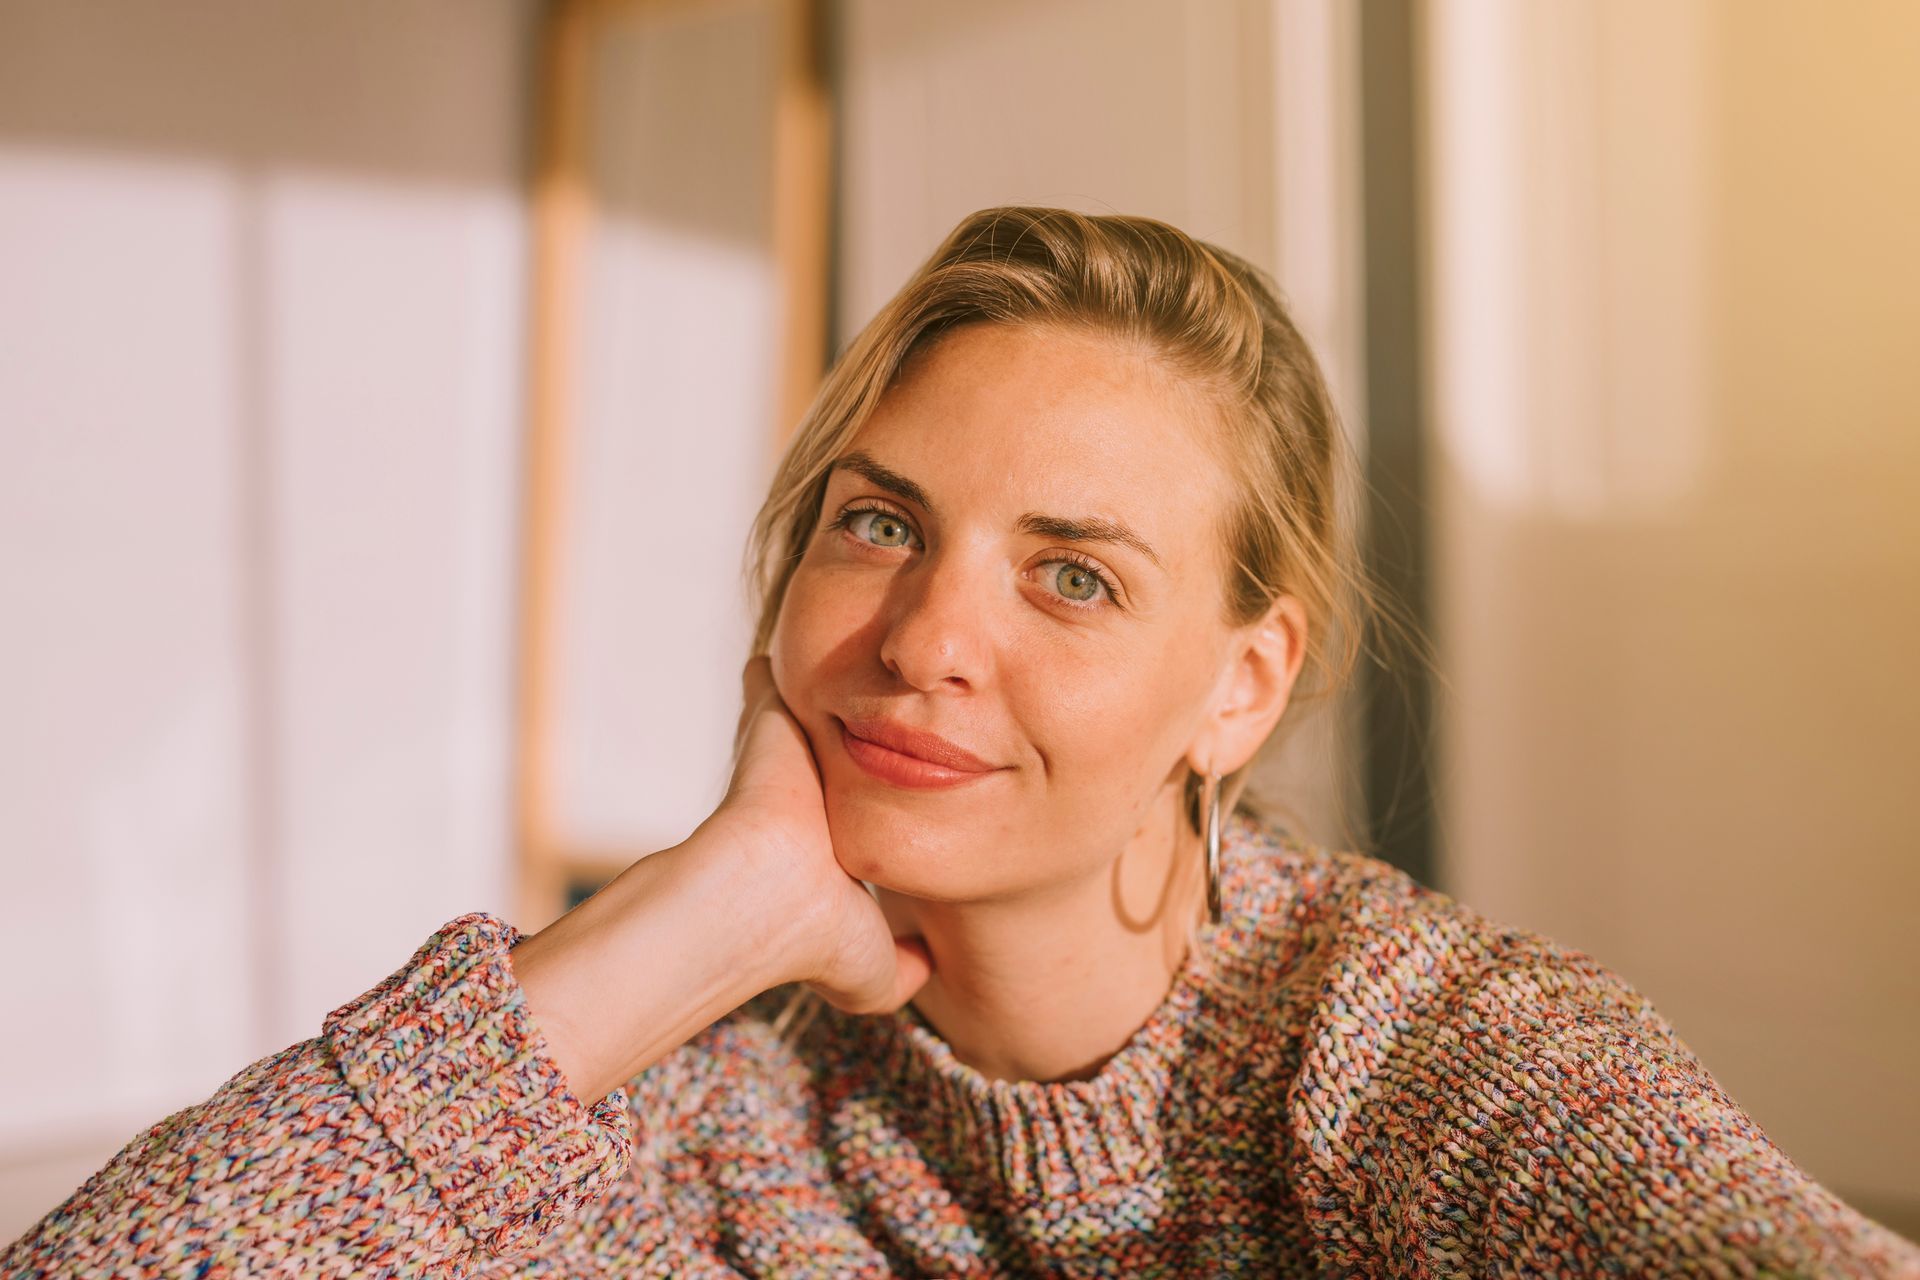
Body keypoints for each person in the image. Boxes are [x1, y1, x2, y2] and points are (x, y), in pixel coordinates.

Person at [5, 206, 1915, 1280]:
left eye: (1071, 580)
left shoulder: (1416, 1059)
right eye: (881, 525)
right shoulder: (716, 1124)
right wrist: (682, 928)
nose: (925, 642)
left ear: (1241, 686)